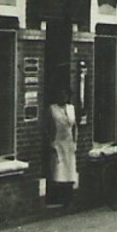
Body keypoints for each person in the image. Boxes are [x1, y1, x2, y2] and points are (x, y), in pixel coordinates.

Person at [46, 78, 79, 207]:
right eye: (60, 94)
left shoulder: (71, 108)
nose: (63, 97)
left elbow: (75, 126)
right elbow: (47, 127)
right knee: (58, 170)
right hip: (57, 143)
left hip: (69, 143)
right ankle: (57, 198)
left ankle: (68, 199)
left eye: (65, 94)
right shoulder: (52, 109)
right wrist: (51, 142)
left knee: (69, 170)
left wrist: (75, 141)